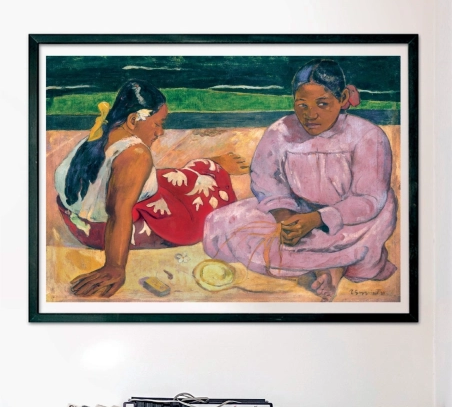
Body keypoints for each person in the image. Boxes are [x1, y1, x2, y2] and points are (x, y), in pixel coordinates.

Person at [203, 59, 397, 301]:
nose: (310, 114)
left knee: (354, 240)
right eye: (302, 105)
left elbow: (369, 199)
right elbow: (266, 179)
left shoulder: (368, 135)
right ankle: (326, 265)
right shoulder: (280, 131)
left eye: (322, 104)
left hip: (352, 218)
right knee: (221, 223)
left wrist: (317, 219)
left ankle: (333, 267)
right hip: (297, 208)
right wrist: (286, 218)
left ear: (343, 97)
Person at [55, 80, 236, 297]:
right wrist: (114, 266)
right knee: (205, 197)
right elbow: (118, 212)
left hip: (75, 223)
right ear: (133, 120)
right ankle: (209, 167)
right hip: (100, 232)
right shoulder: (136, 154)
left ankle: (203, 167)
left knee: (168, 179)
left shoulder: (98, 135)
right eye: (158, 123)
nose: (161, 132)